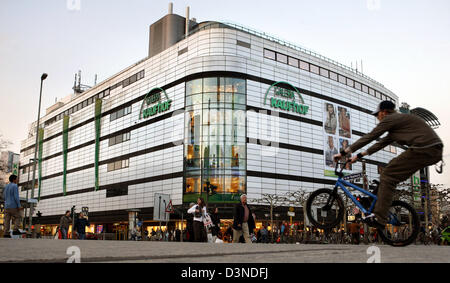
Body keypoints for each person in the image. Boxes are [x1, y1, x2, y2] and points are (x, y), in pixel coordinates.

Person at [334, 100, 443, 227]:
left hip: (423, 148)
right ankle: (374, 199)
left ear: (384, 112)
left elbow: (370, 136)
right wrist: (357, 156)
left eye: (377, 115)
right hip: (433, 151)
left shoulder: (391, 118)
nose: (377, 118)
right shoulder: (398, 125)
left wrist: (343, 152)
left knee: (388, 175)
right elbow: (380, 144)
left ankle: (379, 218)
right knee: (390, 170)